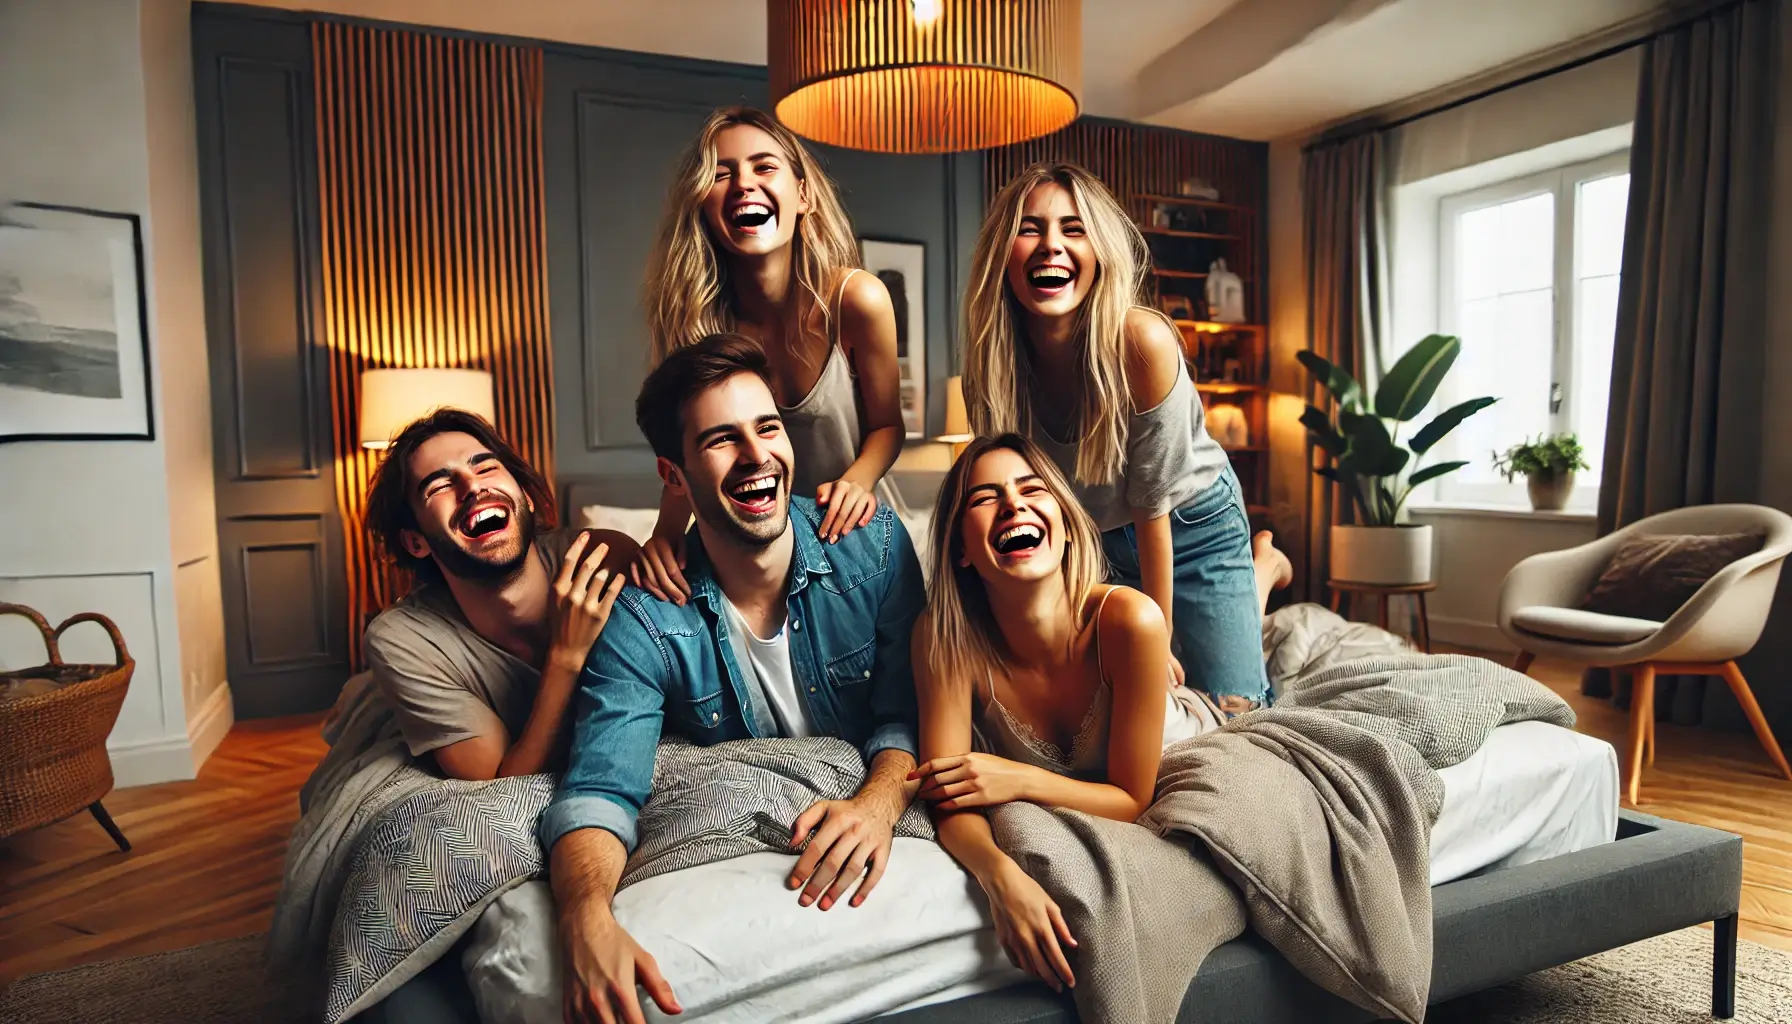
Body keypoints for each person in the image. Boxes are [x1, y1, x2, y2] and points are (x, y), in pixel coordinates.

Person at [541, 334, 926, 1024]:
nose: (757, 457)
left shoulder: (877, 549)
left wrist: (878, 804)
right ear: (675, 476)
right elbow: (601, 788)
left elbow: (909, 716)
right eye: (722, 440)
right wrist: (585, 917)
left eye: (768, 427)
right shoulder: (645, 618)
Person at [909, 434, 1291, 993]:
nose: (1013, 504)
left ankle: (1261, 570)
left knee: (1241, 694)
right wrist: (1001, 878)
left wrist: (1014, 777)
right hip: (1129, 679)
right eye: (984, 498)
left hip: (1191, 724)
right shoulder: (944, 639)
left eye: (1031, 489)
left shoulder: (1129, 619)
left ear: (1064, 526)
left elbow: (1132, 800)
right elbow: (948, 794)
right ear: (961, 548)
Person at [960, 161, 1269, 713]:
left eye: (1073, 229)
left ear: (1099, 250)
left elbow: (1151, 508)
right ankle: (1257, 574)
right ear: (1001, 254)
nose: (1050, 245)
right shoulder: (993, 361)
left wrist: (1154, 639)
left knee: (1231, 711)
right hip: (1090, 545)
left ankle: (1259, 569)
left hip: (1187, 526)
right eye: (1029, 229)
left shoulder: (1140, 342)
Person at [633, 106, 906, 604]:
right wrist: (666, 534)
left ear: (803, 195)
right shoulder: (696, 323)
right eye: (721, 174)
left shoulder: (856, 300)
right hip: (745, 553)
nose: (743, 184)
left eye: (764, 167)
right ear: (702, 206)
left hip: (845, 535)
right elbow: (683, 451)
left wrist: (855, 483)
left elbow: (888, 426)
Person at [361, 409, 639, 781]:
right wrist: (566, 655)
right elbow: (500, 779)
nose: (472, 487)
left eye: (486, 468)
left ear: (525, 497)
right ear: (415, 541)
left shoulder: (603, 560)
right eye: (439, 486)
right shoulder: (401, 639)